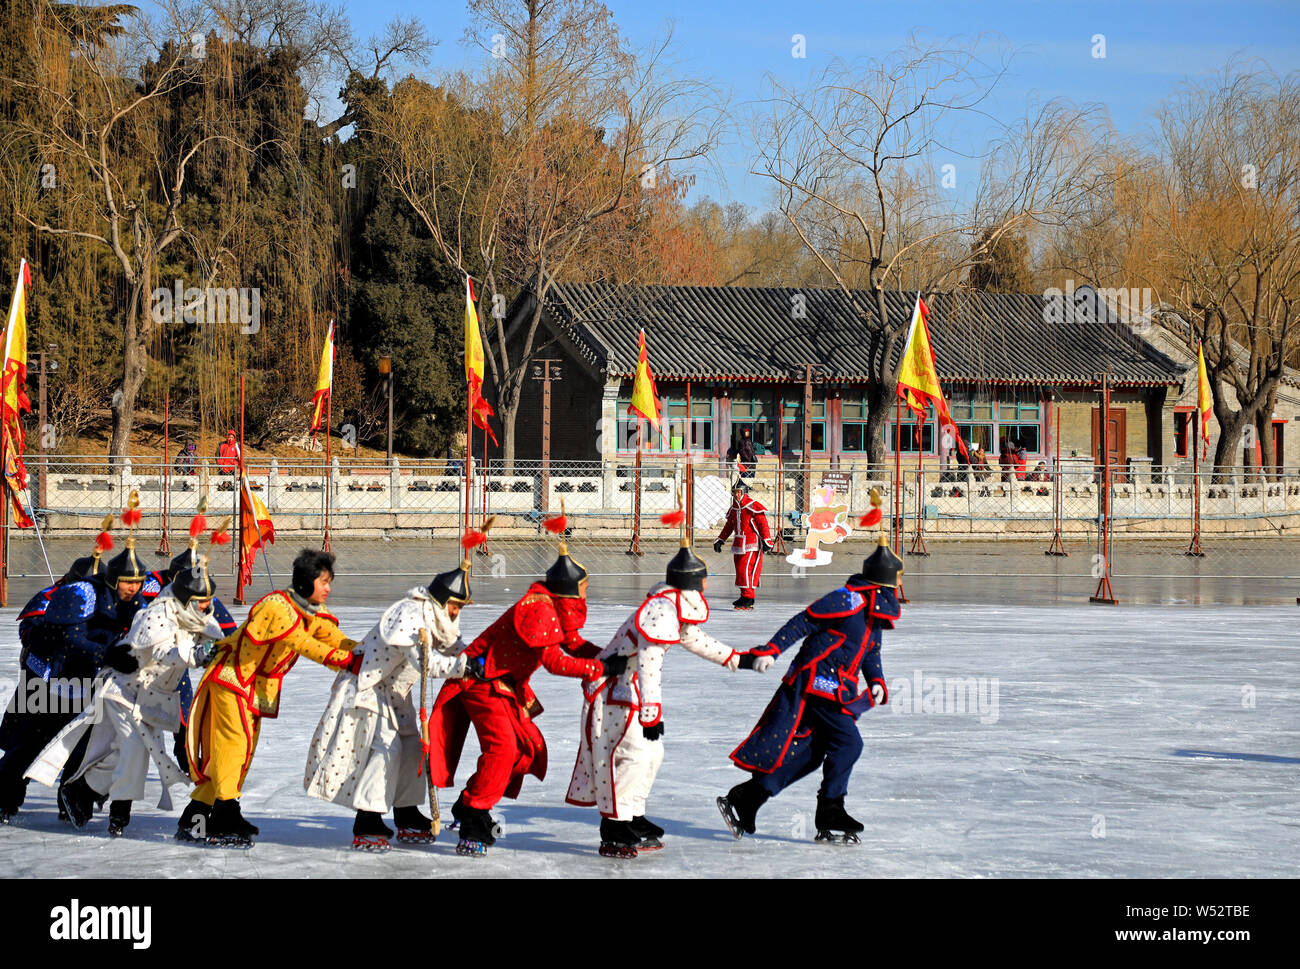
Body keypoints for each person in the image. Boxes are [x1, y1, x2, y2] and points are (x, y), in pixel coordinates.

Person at [425, 539, 626, 856]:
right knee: (503, 748)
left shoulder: (552, 606)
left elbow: (571, 643)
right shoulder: (538, 610)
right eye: (583, 588)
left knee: (522, 748)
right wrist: (600, 666)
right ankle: (474, 815)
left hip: (503, 685)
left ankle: (468, 803)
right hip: (480, 681)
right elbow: (555, 662)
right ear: (569, 591)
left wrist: (609, 657)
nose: (585, 595)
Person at [565, 535, 747, 858]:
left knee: (653, 753)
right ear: (691, 584)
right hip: (613, 692)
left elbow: (694, 638)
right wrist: (651, 715)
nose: (705, 588)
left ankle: (633, 813)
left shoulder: (672, 607)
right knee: (633, 754)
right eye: (702, 582)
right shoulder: (660, 612)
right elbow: (650, 663)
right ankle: (614, 826)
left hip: (628, 690)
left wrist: (735, 658)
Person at [717, 535, 902, 844]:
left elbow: (871, 652)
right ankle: (830, 808)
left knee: (814, 753)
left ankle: (749, 797)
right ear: (882, 585)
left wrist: (877, 681)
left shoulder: (874, 611)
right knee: (848, 743)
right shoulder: (847, 599)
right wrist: (772, 650)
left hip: (839, 688)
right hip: (816, 684)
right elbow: (803, 622)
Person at [27, 554, 226, 836]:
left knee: (125, 752)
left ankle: (82, 791)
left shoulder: (197, 612)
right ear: (184, 597)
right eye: (202, 601)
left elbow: (223, 634)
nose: (208, 606)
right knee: (134, 749)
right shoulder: (156, 613)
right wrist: (195, 655)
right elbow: (161, 652)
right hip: (122, 691)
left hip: (153, 698)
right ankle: (117, 814)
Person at [177, 549, 360, 847]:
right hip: (231, 679)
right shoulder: (277, 607)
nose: (328, 588)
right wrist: (349, 661)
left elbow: (332, 638)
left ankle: (195, 818)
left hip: (253, 689)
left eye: (330, 581)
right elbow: (301, 643)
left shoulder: (312, 610)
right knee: (233, 747)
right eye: (323, 581)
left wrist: (373, 650)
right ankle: (224, 814)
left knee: (237, 753)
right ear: (305, 582)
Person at [304, 556, 474, 850]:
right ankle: (367, 818)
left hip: (396, 693)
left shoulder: (436, 616)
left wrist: (478, 658)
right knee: (387, 750)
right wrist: (464, 668)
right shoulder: (408, 615)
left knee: (412, 748)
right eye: (455, 606)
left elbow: (455, 645)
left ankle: (406, 812)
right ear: (442, 600)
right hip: (369, 688)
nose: (456, 613)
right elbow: (425, 663)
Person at [0, 521, 146, 824]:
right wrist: (105, 655)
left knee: (85, 748)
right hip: (48, 681)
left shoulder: (127, 598)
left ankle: (73, 802)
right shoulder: (71, 594)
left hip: (91, 683)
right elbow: (62, 639)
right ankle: (6, 797)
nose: (132, 588)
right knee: (31, 744)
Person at [714, 479, 772, 610]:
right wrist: (720, 540)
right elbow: (729, 526)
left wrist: (766, 540)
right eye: (734, 492)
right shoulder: (734, 508)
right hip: (739, 543)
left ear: (744, 492)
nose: (736, 495)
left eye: (739, 492)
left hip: (752, 544)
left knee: (746, 570)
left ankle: (749, 597)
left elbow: (763, 525)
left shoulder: (752, 506)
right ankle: (744, 595)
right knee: (740, 570)